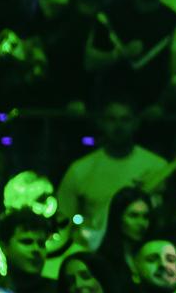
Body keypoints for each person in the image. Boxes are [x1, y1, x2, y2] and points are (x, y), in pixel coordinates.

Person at [54, 102, 167, 251]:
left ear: (135, 123)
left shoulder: (157, 167)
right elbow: (64, 218)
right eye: (112, 119)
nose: (118, 126)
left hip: (143, 250)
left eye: (125, 119)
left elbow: (165, 216)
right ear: (101, 123)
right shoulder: (80, 169)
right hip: (93, 250)